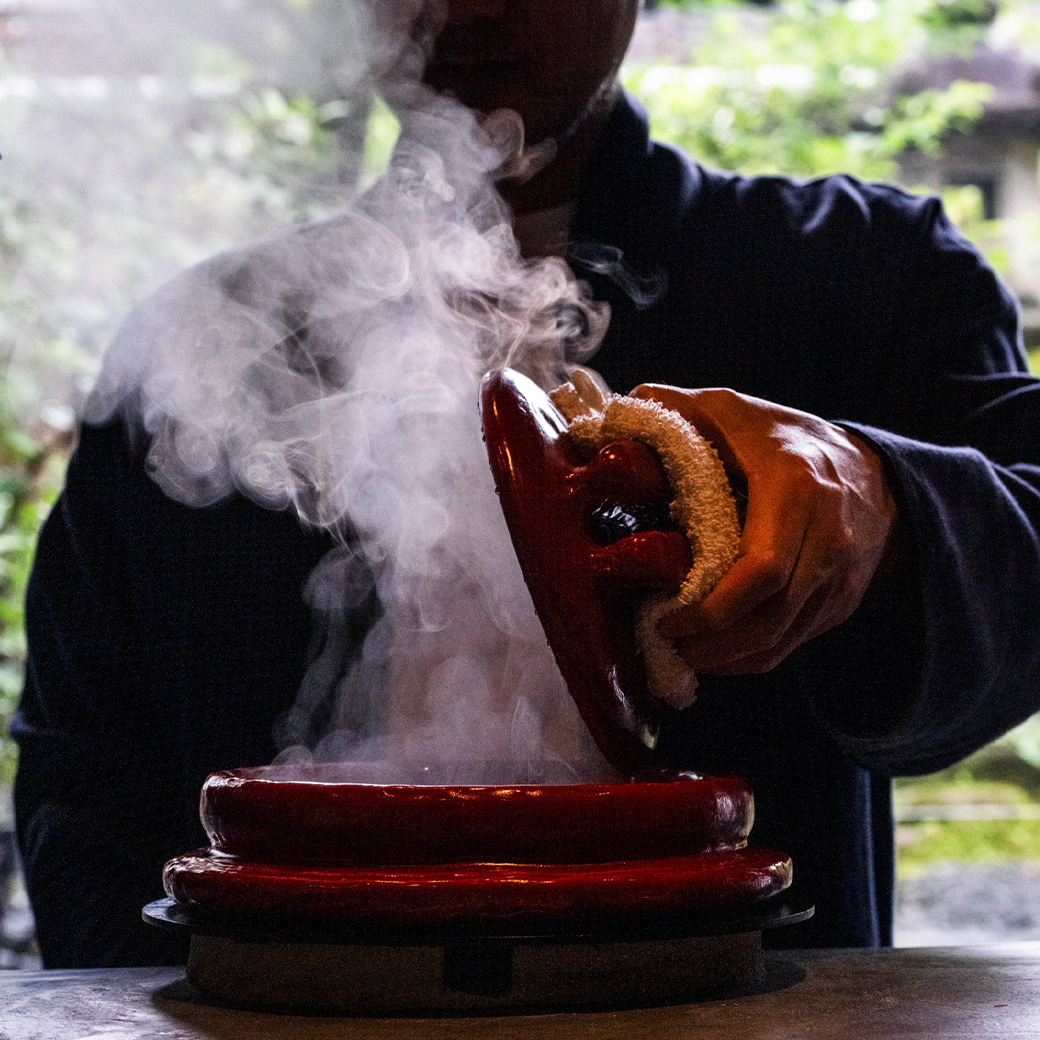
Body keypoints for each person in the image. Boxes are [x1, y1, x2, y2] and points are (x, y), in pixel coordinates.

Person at [13, 0, 1040, 967]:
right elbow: (83, 772)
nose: (467, 7)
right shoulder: (204, 341)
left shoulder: (858, 269)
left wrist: (883, 500)